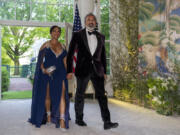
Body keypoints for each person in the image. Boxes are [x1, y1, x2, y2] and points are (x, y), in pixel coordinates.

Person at [66, 13, 119, 130]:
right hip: (82, 69)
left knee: (102, 96)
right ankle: (79, 119)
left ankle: (107, 121)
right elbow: (70, 54)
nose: (91, 21)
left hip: (97, 70)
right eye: (88, 20)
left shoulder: (101, 36)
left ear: (95, 22)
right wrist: (69, 70)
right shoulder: (77, 35)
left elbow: (103, 56)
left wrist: (105, 71)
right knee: (80, 95)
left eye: (93, 20)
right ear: (85, 22)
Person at [28, 25, 70, 131]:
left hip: (61, 73)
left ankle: (62, 120)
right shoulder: (45, 45)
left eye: (58, 31)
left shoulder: (64, 46)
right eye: (54, 31)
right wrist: (44, 70)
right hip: (47, 73)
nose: (57, 33)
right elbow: (40, 61)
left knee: (61, 95)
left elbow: (65, 61)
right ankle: (48, 115)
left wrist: (68, 72)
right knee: (47, 96)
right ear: (51, 33)